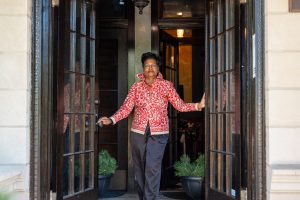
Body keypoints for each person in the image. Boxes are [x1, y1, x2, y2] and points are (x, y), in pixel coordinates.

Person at [97, 52, 205, 200]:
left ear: (158, 68)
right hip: (138, 132)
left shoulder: (166, 86)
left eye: (153, 65)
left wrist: (198, 106)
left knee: (152, 167)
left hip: (159, 133)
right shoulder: (136, 87)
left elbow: (180, 105)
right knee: (140, 168)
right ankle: (145, 197)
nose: (150, 68)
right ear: (143, 68)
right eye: (147, 65)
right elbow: (126, 108)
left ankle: (150, 198)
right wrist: (111, 119)